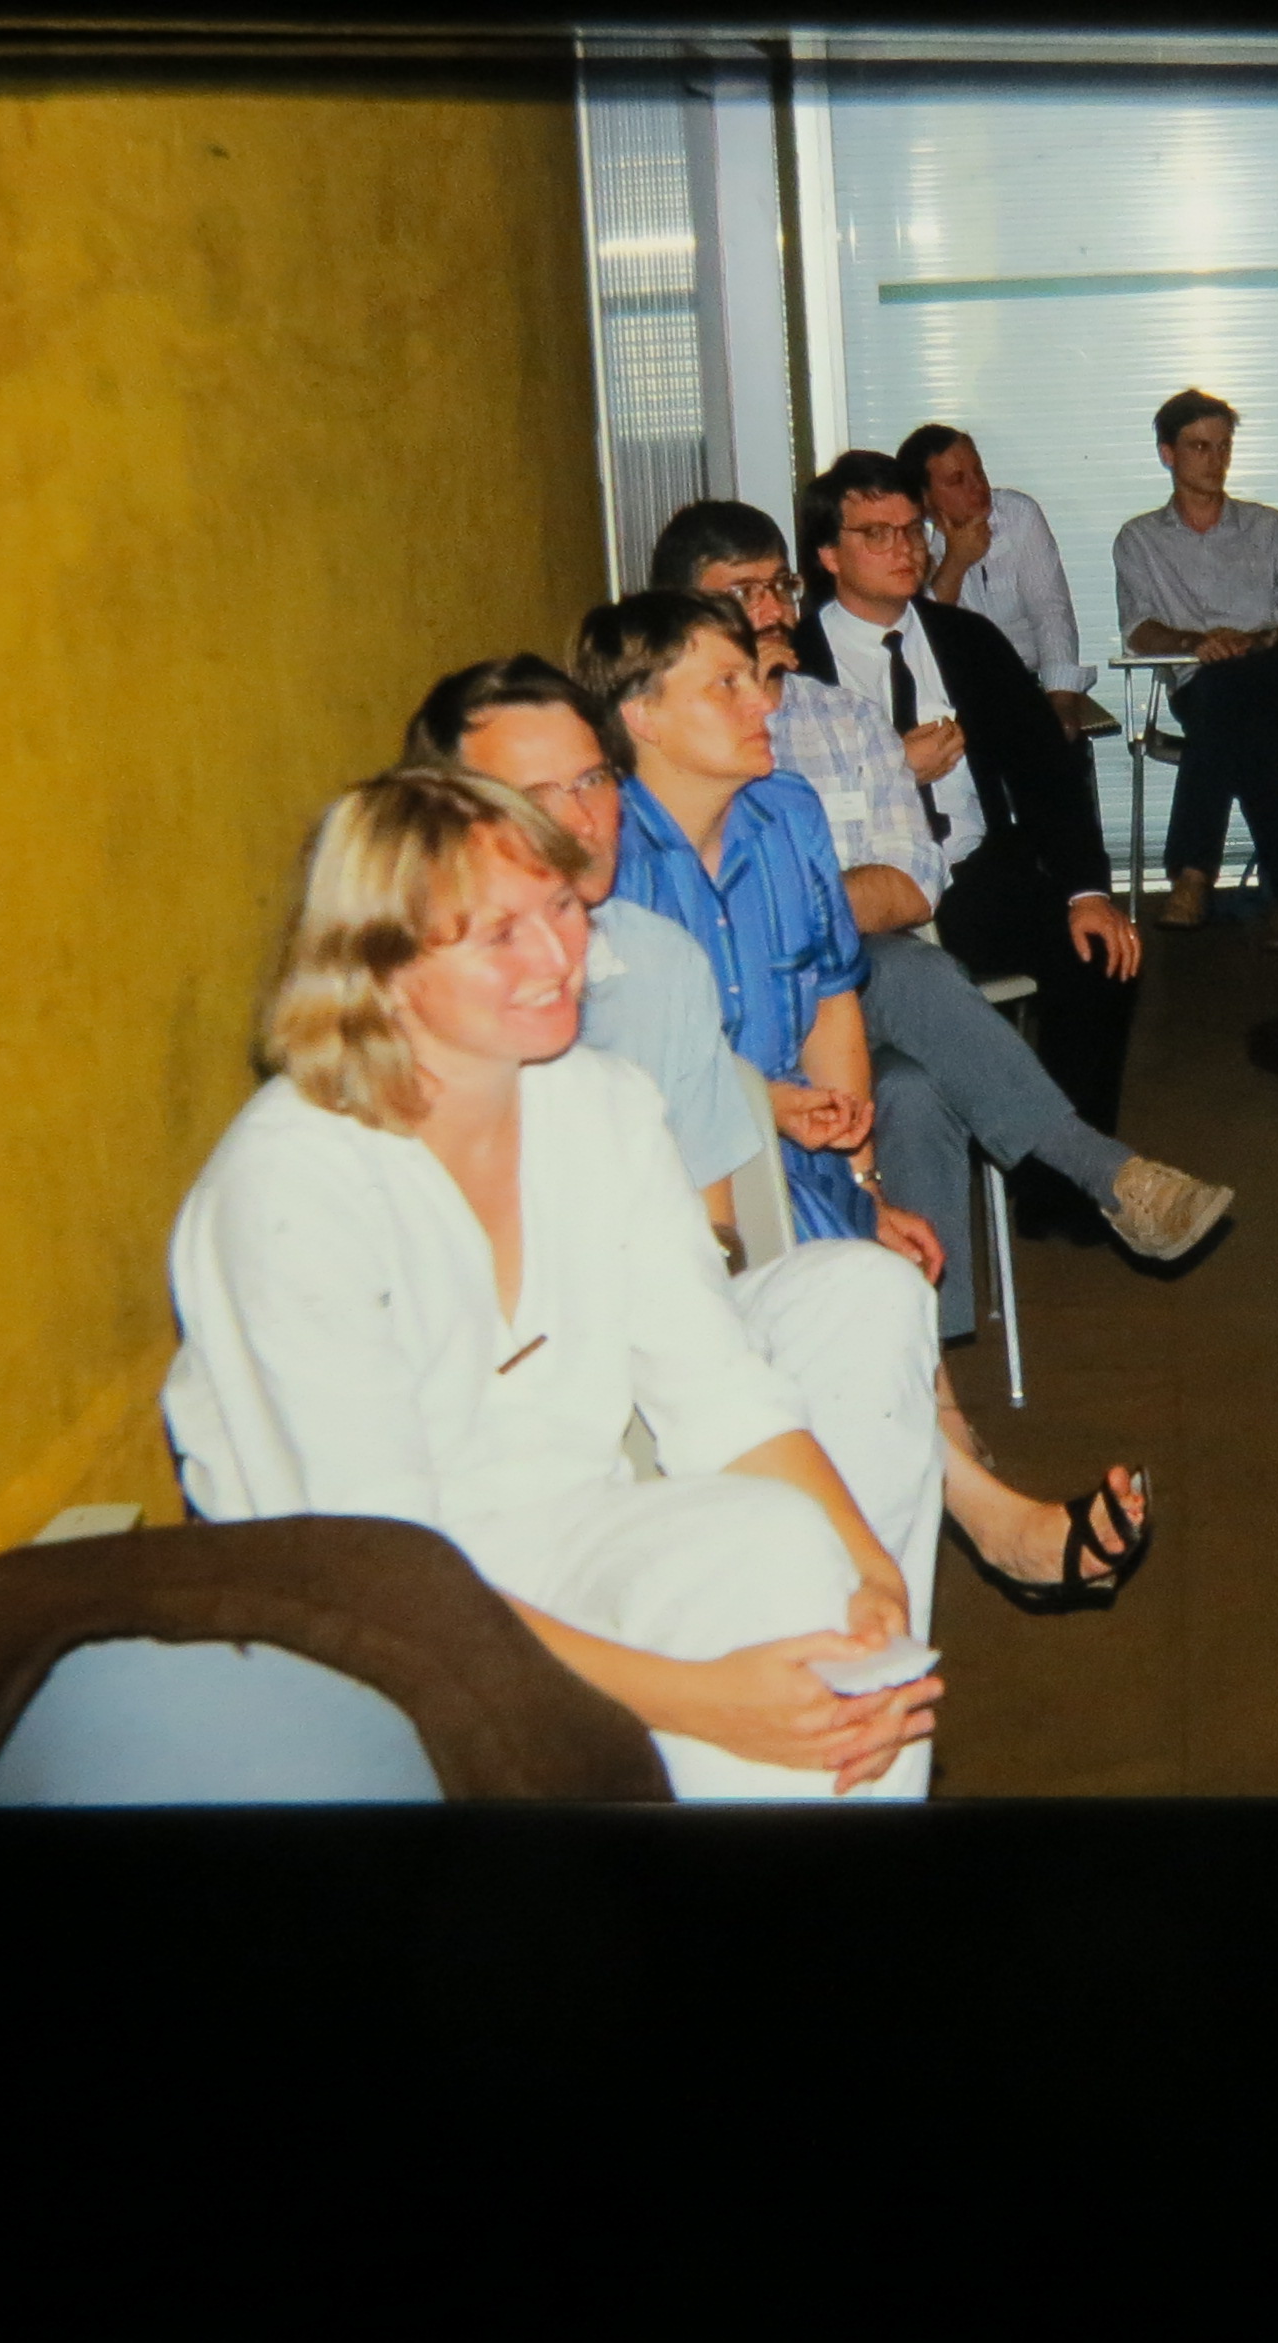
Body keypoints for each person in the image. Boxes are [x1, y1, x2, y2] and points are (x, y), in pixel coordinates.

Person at [161, 764, 944, 1800]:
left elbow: (720, 1396)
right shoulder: (291, 1186)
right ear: (380, 966)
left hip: (575, 1534)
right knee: (761, 1720)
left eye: (563, 908)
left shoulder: (600, 1103)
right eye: (499, 934)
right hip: (356, 1628)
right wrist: (700, 1699)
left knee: (807, 1584)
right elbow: (388, 1576)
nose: (558, 957)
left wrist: (870, 1573)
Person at [409, 656, 1154, 1610]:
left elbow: (712, 1232)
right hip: (504, 1389)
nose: (580, 815)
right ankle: (963, 1528)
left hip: (684, 1273)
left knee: (868, 1283)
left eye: (591, 779)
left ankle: (886, 1613)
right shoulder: (411, 1037)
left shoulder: (654, 959)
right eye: (535, 794)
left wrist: (850, 1200)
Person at [650, 497, 1230, 1293]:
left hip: (844, 986)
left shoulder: (844, 719)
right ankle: (1106, 1173)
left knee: (925, 1022)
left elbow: (911, 886)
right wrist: (808, 908)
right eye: (743, 592)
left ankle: (926, 1346)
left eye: (778, 587)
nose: (774, 610)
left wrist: (780, 910)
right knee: (910, 1030)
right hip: (727, 1010)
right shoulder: (657, 735)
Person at [584, 588, 880, 1248]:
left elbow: (832, 1006)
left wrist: (868, 1190)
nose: (763, 702)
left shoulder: (789, 813)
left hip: (804, 1166)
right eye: (727, 684)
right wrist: (761, 1103)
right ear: (643, 716)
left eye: (753, 677)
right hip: (670, 1182)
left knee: (886, 1286)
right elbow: (619, 1081)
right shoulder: (607, 867)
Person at [1113, 389, 1278, 947]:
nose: (1215, 460)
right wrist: (1196, 642)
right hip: (1204, 687)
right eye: (1199, 447)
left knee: (1228, 692)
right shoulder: (1140, 540)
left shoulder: (1269, 526)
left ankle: (1192, 875)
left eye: (1223, 447)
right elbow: (1139, 629)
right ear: (1167, 454)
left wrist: (1260, 640)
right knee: (1236, 715)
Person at [895, 422, 1088, 701]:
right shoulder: (907, 542)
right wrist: (956, 561)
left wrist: (1061, 697)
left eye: (978, 471)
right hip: (949, 696)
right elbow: (921, 635)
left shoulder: (1018, 514)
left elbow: (1051, 612)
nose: (977, 486)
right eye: (957, 480)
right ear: (924, 498)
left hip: (1028, 684)